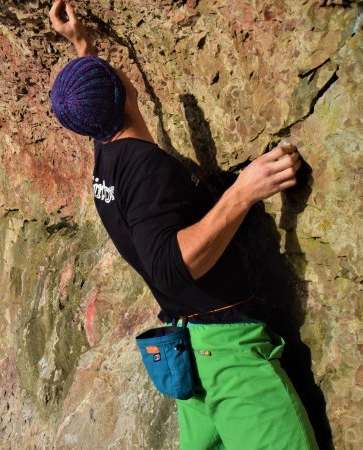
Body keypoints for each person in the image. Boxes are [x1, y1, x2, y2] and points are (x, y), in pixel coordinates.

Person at [48, 1, 318, 449]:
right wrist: (242, 192)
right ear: (122, 91)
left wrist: (82, 45)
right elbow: (169, 266)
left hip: (188, 354)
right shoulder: (148, 169)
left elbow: (96, 103)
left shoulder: (106, 160)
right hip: (227, 352)